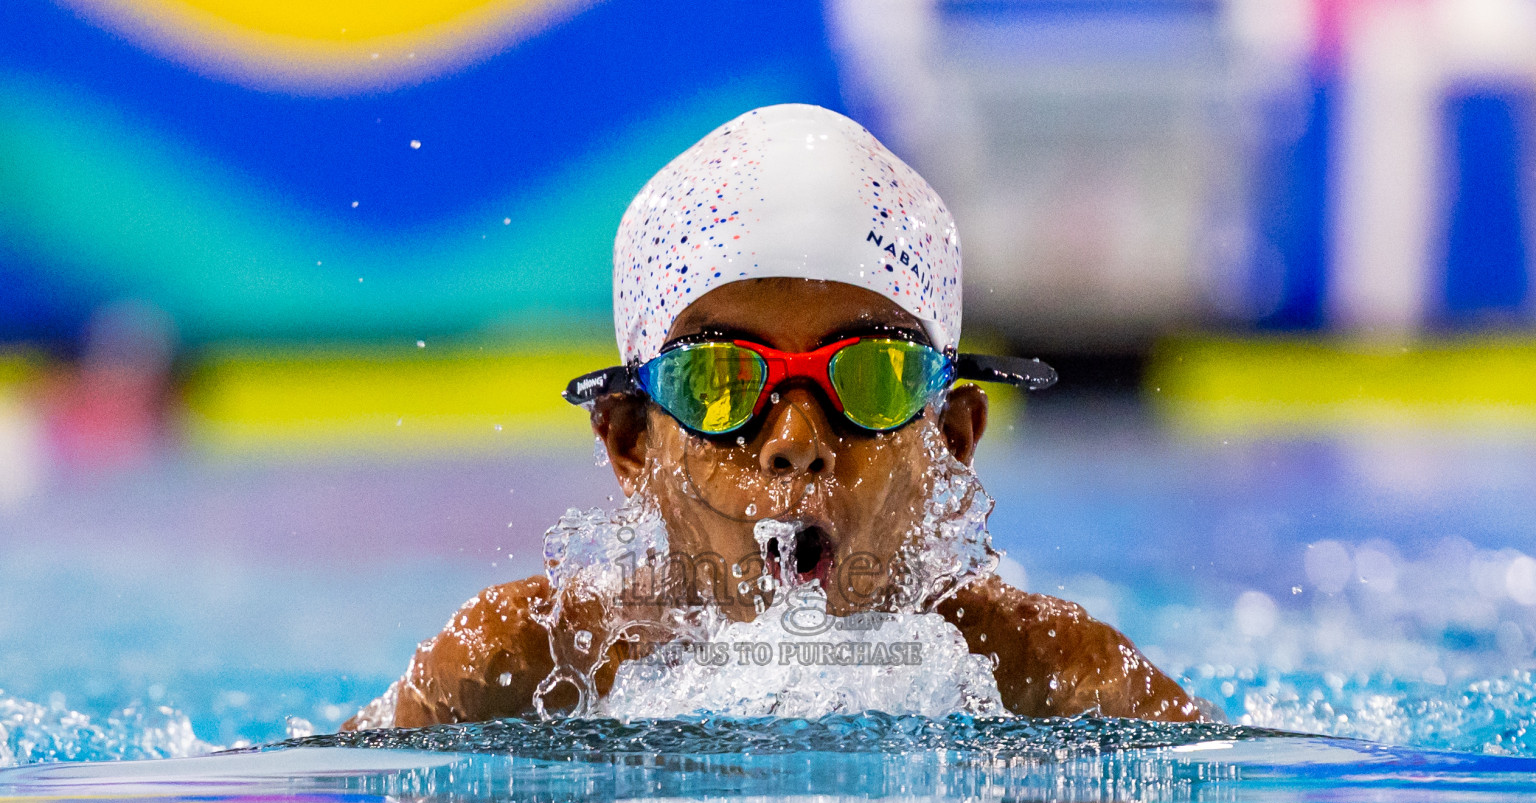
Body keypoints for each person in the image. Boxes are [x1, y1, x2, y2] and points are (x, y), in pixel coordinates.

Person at [354, 104, 1199, 728]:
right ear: (629, 442)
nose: (796, 443)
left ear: (950, 438)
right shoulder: (514, 673)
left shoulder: (1059, 685)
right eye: (719, 383)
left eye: (872, 378)